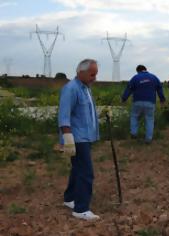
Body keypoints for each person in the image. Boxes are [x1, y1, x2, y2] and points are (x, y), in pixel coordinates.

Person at [58, 59, 100, 220]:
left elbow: (86, 111)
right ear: (80, 72)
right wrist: (67, 138)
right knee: (86, 172)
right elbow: (64, 115)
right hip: (77, 137)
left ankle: (70, 199)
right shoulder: (71, 89)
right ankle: (81, 209)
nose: (94, 78)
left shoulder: (86, 88)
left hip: (86, 136)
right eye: (92, 74)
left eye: (95, 74)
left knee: (77, 168)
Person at [121, 65, 165, 144]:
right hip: (150, 102)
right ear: (145, 69)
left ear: (138, 71)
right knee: (149, 119)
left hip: (137, 102)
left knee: (134, 116)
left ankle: (134, 133)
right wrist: (162, 99)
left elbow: (129, 88)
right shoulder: (154, 77)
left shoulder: (135, 78)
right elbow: (160, 88)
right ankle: (148, 139)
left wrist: (124, 98)